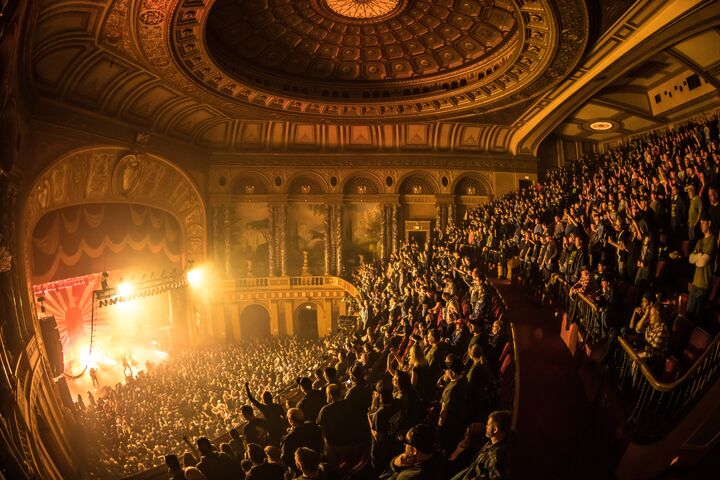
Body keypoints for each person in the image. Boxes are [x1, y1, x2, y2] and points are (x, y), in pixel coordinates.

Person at [451, 410, 512, 480]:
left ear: (495, 430)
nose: (486, 426)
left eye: (488, 424)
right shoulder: (490, 444)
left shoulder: (496, 455)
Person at [687, 213, 716, 321]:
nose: (701, 225)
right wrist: (700, 255)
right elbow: (690, 259)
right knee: (688, 314)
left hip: (703, 285)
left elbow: (702, 263)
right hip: (695, 282)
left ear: (709, 223)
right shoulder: (700, 241)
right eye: (700, 223)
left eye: (703, 223)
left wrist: (697, 257)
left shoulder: (712, 240)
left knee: (697, 318)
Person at [438, 355, 469, 454]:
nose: (444, 372)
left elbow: (443, 412)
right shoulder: (463, 379)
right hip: (458, 421)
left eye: (446, 370)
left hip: (448, 426)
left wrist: (439, 428)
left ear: (452, 372)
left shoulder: (451, 390)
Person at [281, 408, 323, 474]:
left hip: (302, 470)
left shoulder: (289, 438)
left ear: (291, 421)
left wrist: (297, 468)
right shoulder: (314, 427)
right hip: (318, 462)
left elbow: (285, 458)